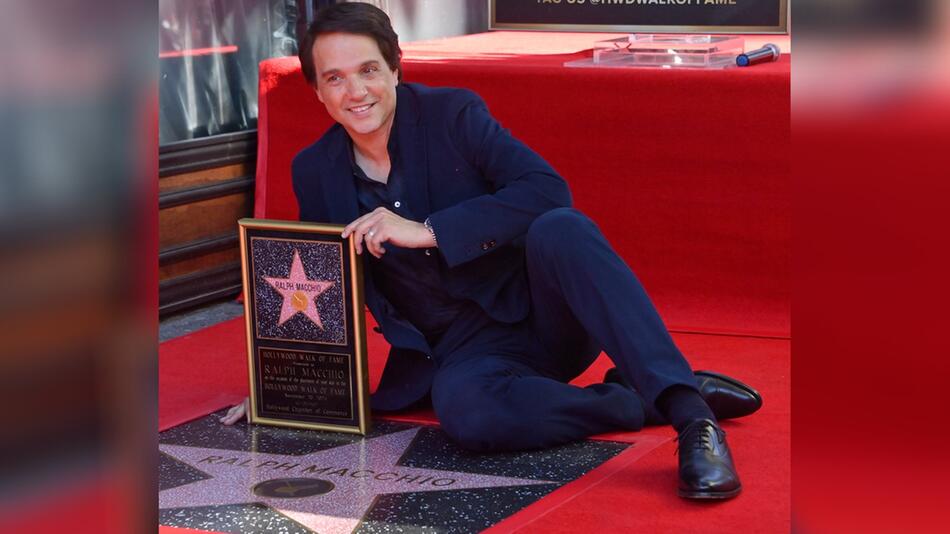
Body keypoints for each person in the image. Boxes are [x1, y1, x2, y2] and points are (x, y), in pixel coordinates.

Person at [225, 2, 763, 500]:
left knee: (562, 228)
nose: (355, 91)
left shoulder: (453, 115)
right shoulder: (314, 171)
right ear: (317, 91)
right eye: (334, 78)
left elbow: (547, 189)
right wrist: (284, 388)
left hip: (540, 316)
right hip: (461, 354)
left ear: (395, 69)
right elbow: (318, 280)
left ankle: (693, 419)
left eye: (368, 70)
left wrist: (429, 229)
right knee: (468, 417)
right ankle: (641, 394)